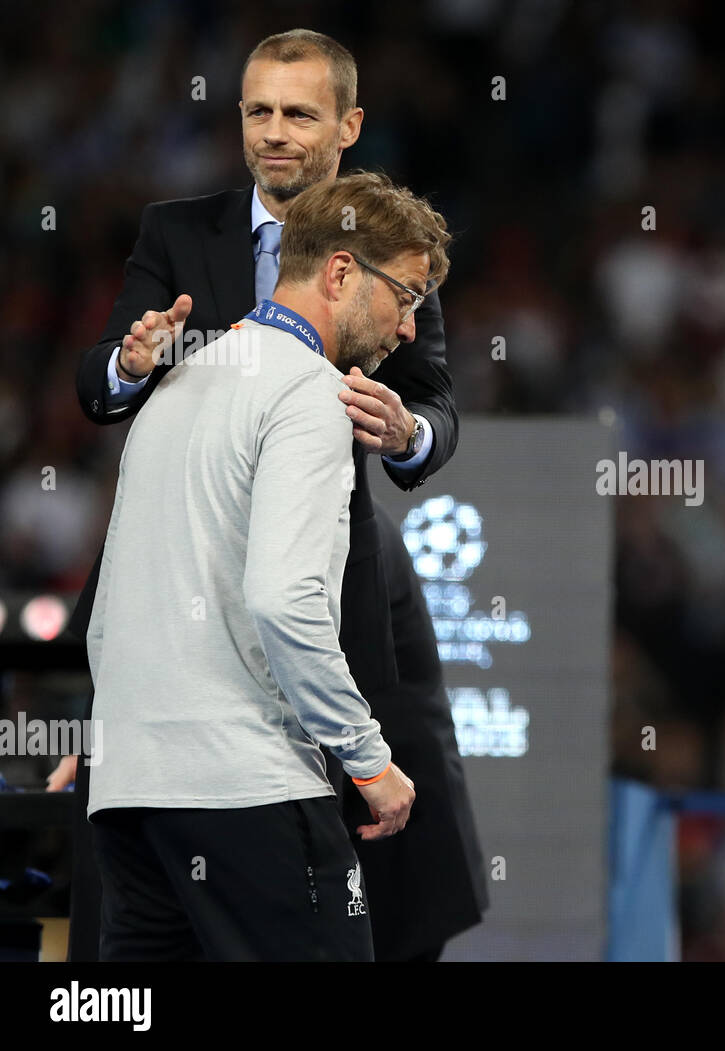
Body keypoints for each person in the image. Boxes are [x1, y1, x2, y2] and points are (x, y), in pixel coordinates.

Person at [62, 28, 487, 961]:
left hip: (290, 652)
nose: (276, 132)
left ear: (348, 125)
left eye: (300, 112)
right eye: (259, 110)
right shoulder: (199, 279)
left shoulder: (385, 249)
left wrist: (407, 431)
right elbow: (104, 387)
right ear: (340, 277)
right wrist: (131, 365)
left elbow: (434, 405)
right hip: (220, 711)